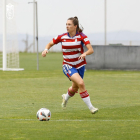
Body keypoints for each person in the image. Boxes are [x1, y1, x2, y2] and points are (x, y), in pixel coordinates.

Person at [42, 16, 98, 114]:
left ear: (75, 26)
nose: (67, 26)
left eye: (69, 24)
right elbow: (50, 43)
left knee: (75, 88)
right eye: (66, 24)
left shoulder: (82, 36)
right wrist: (46, 49)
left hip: (80, 66)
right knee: (81, 83)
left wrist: (85, 53)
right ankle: (91, 107)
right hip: (68, 65)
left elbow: (91, 49)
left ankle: (65, 97)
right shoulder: (62, 37)